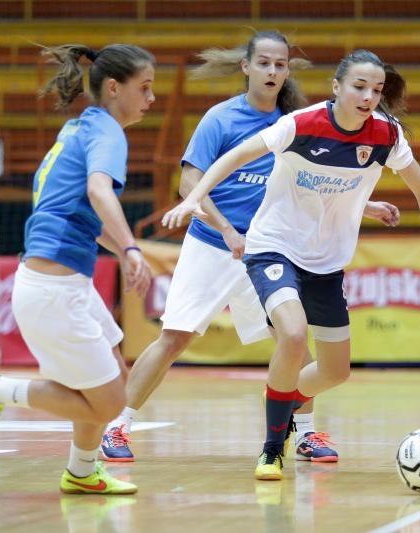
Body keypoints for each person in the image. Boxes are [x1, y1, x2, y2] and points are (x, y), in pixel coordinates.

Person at [101, 31, 396, 464]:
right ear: (246, 67)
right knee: (175, 337)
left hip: (270, 248)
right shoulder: (220, 119)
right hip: (214, 245)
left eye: (280, 64)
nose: (273, 71)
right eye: (264, 63)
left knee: (293, 338)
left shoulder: (298, 120)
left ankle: (304, 433)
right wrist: (226, 230)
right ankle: (116, 425)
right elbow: (189, 185)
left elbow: (317, 183)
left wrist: (365, 206)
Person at [163, 49, 420, 480]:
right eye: (359, 87)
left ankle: (279, 399)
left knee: (336, 372)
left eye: (376, 90)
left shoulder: (386, 135)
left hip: (326, 262)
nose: (368, 97)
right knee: (292, 333)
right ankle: (271, 449)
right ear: (336, 87)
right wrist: (193, 197)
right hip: (273, 247)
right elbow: (235, 156)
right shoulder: (302, 123)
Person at [0, 42, 155, 495]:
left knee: (114, 376)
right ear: (114, 88)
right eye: (145, 88)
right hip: (53, 290)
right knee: (108, 403)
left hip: (64, 283)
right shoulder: (107, 132)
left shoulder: (79, 127)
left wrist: (123, 248)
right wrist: (130, 248)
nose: (151, 98)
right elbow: (98, 192)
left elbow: (81, 215)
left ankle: (82, 472)